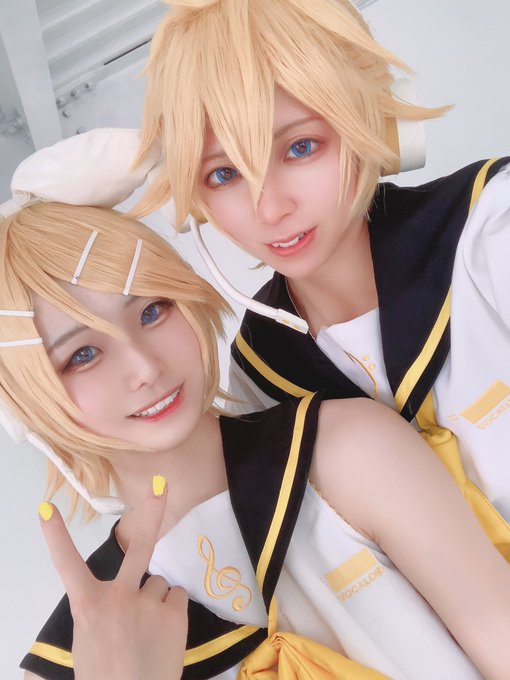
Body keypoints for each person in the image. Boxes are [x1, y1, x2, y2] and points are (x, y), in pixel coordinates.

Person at [1, 136, 509, 680]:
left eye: (152, 311)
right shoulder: (69, 660)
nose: (144, 367)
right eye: (82, 355)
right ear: (22, 399)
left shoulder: (348, 450)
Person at [135, 0, 510, 555]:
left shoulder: (491, 229)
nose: (270, 208)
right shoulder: (257, 380)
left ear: (366, 119)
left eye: (301, 147)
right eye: (224, 174)